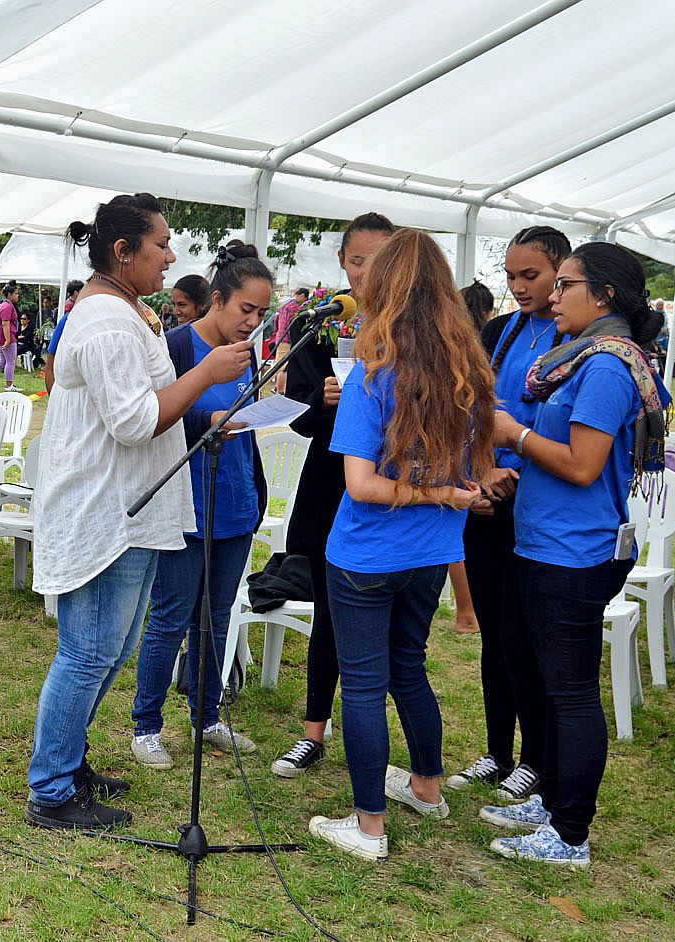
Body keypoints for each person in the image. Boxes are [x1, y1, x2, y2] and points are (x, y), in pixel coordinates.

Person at [26, 193, 252, 830]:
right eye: (160, 246)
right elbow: (134, 422)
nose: (171, 256)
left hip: (127, 508)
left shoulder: (126, 312)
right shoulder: (104, 320)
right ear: (122, 252)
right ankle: (50, 789)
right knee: (88, 652)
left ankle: (68, 762)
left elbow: (149, 406)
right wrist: (205, 373)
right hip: (106, 509)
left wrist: (204, 409)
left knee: (112, 648)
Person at [307, 228, 496, 863]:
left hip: (365, 557)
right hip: (429, 558)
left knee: (363, 686)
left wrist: (431, 495)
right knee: (408, 670)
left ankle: (367, 828)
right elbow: (469, 473)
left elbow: (360, 485)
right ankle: (427, 788)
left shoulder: (372, 376)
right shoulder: (467, 378)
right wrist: (443, 497)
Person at [480, 242, 669, 869]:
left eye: (565, 285)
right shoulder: (579, 360)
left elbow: (584, 467)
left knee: (571, 693)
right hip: (545, 544)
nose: (553, 296)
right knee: (544, 679)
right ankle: (554, 798)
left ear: (605, 295)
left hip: (574, 553)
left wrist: (517, 435)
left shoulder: (607, 369)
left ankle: (569, 834)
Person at [130, 241, 271, 769]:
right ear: (217, 299)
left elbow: (248, 420)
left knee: (216, 616)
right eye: (245, 311)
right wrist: (205, 423)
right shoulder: (177, 348)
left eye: (261, 314)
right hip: (186, 505)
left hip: (235, 503)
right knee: (170, 616)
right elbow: (155, 419)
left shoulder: (247, 353)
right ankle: (146, 726)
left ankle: (207, 714)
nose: (253, 323)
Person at [446, 227, 572, 803]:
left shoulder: (573, 336)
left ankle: (533, 758)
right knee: (496, 634)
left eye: (532, 276)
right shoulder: (502, 330)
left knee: (527, 638)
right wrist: (480, 471)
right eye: (512, 277)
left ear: (561, 273)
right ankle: (498, 752)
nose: (520, 287)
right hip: (486, 497)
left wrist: (512, 471)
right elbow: (474, 404)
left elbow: (566, 431)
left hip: (535, 499)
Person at [269, 211, 395, 779]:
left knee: (388, 627)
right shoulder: (323, 321)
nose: (370, 272)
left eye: (383, 260)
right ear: (344, 261)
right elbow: (294, 414)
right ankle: (312, 731)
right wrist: (322, 403)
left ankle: (381, 740)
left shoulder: (413, 327)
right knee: (327, 609)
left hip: (394, 492)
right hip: (330, 485)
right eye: (361, 260)